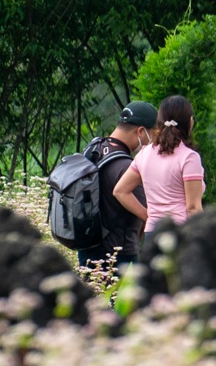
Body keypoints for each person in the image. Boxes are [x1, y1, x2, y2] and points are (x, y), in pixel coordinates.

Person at [78, 101, 156, 273]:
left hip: (86, 249)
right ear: (141, 131)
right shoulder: (127, 167)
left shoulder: (93, 150)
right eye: (152, 136)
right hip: (119, 256)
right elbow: (145, 214)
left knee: (94, 299)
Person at [117, 94, 204, 232]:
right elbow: (193, 208)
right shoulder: (189, 158)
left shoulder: (144, 154)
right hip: (180, 233)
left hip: (153, 232)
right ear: (190, 122)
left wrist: (150, 217)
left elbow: (120, 190)